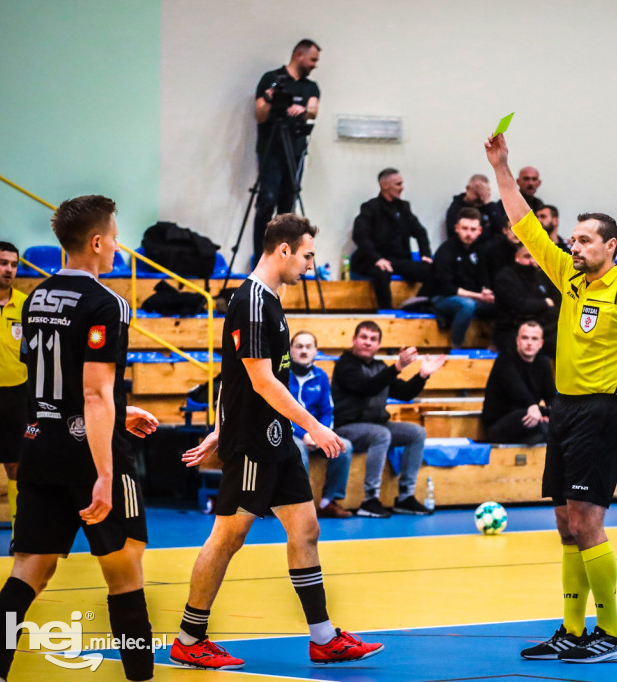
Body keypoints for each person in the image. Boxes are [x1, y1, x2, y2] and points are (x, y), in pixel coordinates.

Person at [486, 132, 617, 663]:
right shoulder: (568, 277)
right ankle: (572, 629)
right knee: (566, 524)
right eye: (575, 238)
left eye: (586, 240)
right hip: (563, 409)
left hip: (603, 411)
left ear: (610, 247)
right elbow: (524, 223)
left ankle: (612, 634)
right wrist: (502, 167)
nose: (574, 245)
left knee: (588, 521)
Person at [172, 214, 383, 669]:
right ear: (284, 250)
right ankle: (190, 637)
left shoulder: (270, 299)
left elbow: (233, 377)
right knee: (227, 537)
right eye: (308, 255)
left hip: (276, 439)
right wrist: (315, 426)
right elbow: (262, 382)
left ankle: (324, 638)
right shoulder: (250, 301)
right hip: (254, 444)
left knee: (306, 529)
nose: (311, 264)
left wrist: (217, 428)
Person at [0, 196, 159, 682]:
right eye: (112, 236)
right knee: (125, 568)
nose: (115, 245)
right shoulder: (107, 303)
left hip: (40, 444)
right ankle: (140, 676)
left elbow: (48, 383)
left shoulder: (36, 298)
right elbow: (92, 391)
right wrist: (106, 471)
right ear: (95, 241)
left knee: (30, 570)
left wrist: (118, 410)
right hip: (89, 454)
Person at [331, 321, 446, 518]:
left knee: (416, 433)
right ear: (353, 340)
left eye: (373, 339)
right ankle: (370, 499)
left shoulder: (379, 366)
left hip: (377, 425)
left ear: (378, 345)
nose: (368, 342)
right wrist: (398, 366)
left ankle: (405, 497)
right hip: (348, 428)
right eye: (364, 337)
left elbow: (404, 393)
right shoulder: (344, 365)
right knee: (381, 434)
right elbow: (368, 386)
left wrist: (422, 375)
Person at [252, 39, 321, 263]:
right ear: (299, 55)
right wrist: (271, 101)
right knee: (266, 201)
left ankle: (283, 258)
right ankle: (261, 257)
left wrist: (303, 110)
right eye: (313, 59)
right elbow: (260, 115)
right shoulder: (272, 79)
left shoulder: (311, 87)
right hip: (271, 150)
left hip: (295, 151)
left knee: (287, 209)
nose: (315, 65)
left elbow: (313, 110)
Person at [288, 331, 352, 518]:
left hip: (314, 433)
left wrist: (320, 434)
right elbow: (280, 413)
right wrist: (304, 434)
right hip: (289, 432)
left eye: (308, 347)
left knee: (344, 447)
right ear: (291, 349)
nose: (303, 351)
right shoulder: (281, 375)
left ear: (316, 351)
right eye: (299, 346)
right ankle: (302, 505)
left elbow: (327, 411)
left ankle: (328, 502)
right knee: (298, 450)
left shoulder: (321, 376)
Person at [350, 168, 433, 310]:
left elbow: (420, 232)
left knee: (432, 270)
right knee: (381, 274)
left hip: (399, 260)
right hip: (375, 260)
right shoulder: (370, 208)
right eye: (398, 184)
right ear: (385, 186)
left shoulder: (404, 207)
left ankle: (417, 305)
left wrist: (425, 254)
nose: (402, 188)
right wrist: (377, 259)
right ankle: (386, 312)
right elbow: (359, 234)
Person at [424, 207, 496, 348]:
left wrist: (486, 291)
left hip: (473, 298)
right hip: (442, 298)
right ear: (457, 228)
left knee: (503, 304)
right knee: (466, 305)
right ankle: (456, 347)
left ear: (479, 231)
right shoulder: (446, 250)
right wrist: (477, 296)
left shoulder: (480, 250)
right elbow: (445, 287)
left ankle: (495, 347)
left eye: (473, 229)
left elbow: (483, 277)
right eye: (465, 228)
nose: (468, 234)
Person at [481, 321, 556, 444]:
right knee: (525, 416)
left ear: (540, 343)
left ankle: (540, 433)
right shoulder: (505, 359)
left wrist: (553, 415)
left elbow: (551, 397)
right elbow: (515, 387)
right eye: (525, 338)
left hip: (532, 415)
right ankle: (541, 432)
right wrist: (532, 406)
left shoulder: (543, 363)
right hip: (501, 422)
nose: (529, 343)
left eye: (534, 339)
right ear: (518, 340)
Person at [0, 242, 26, 532]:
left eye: (13, 264)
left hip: (17, 394)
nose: (9, 269)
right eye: (3, 262)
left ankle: (20, 533)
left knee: (16, 466)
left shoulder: (26, 305)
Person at [492, 244, 559, 356]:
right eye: (527, 257)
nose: (532, 261)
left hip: (544, 329)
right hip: (513, 331)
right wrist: (545, 303)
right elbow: (520, 306)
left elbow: (558, 303)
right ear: (517, 257)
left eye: (535, 257)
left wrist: (538, 307)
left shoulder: (543, 276)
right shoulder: (505, 277)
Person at [444, 173, 502, 241]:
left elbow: (501, 229)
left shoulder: (490, 207)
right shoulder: (456, 209)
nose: (480, 197)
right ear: (468, 189)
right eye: (477, 193)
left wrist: (487, 202)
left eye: (483, 193)